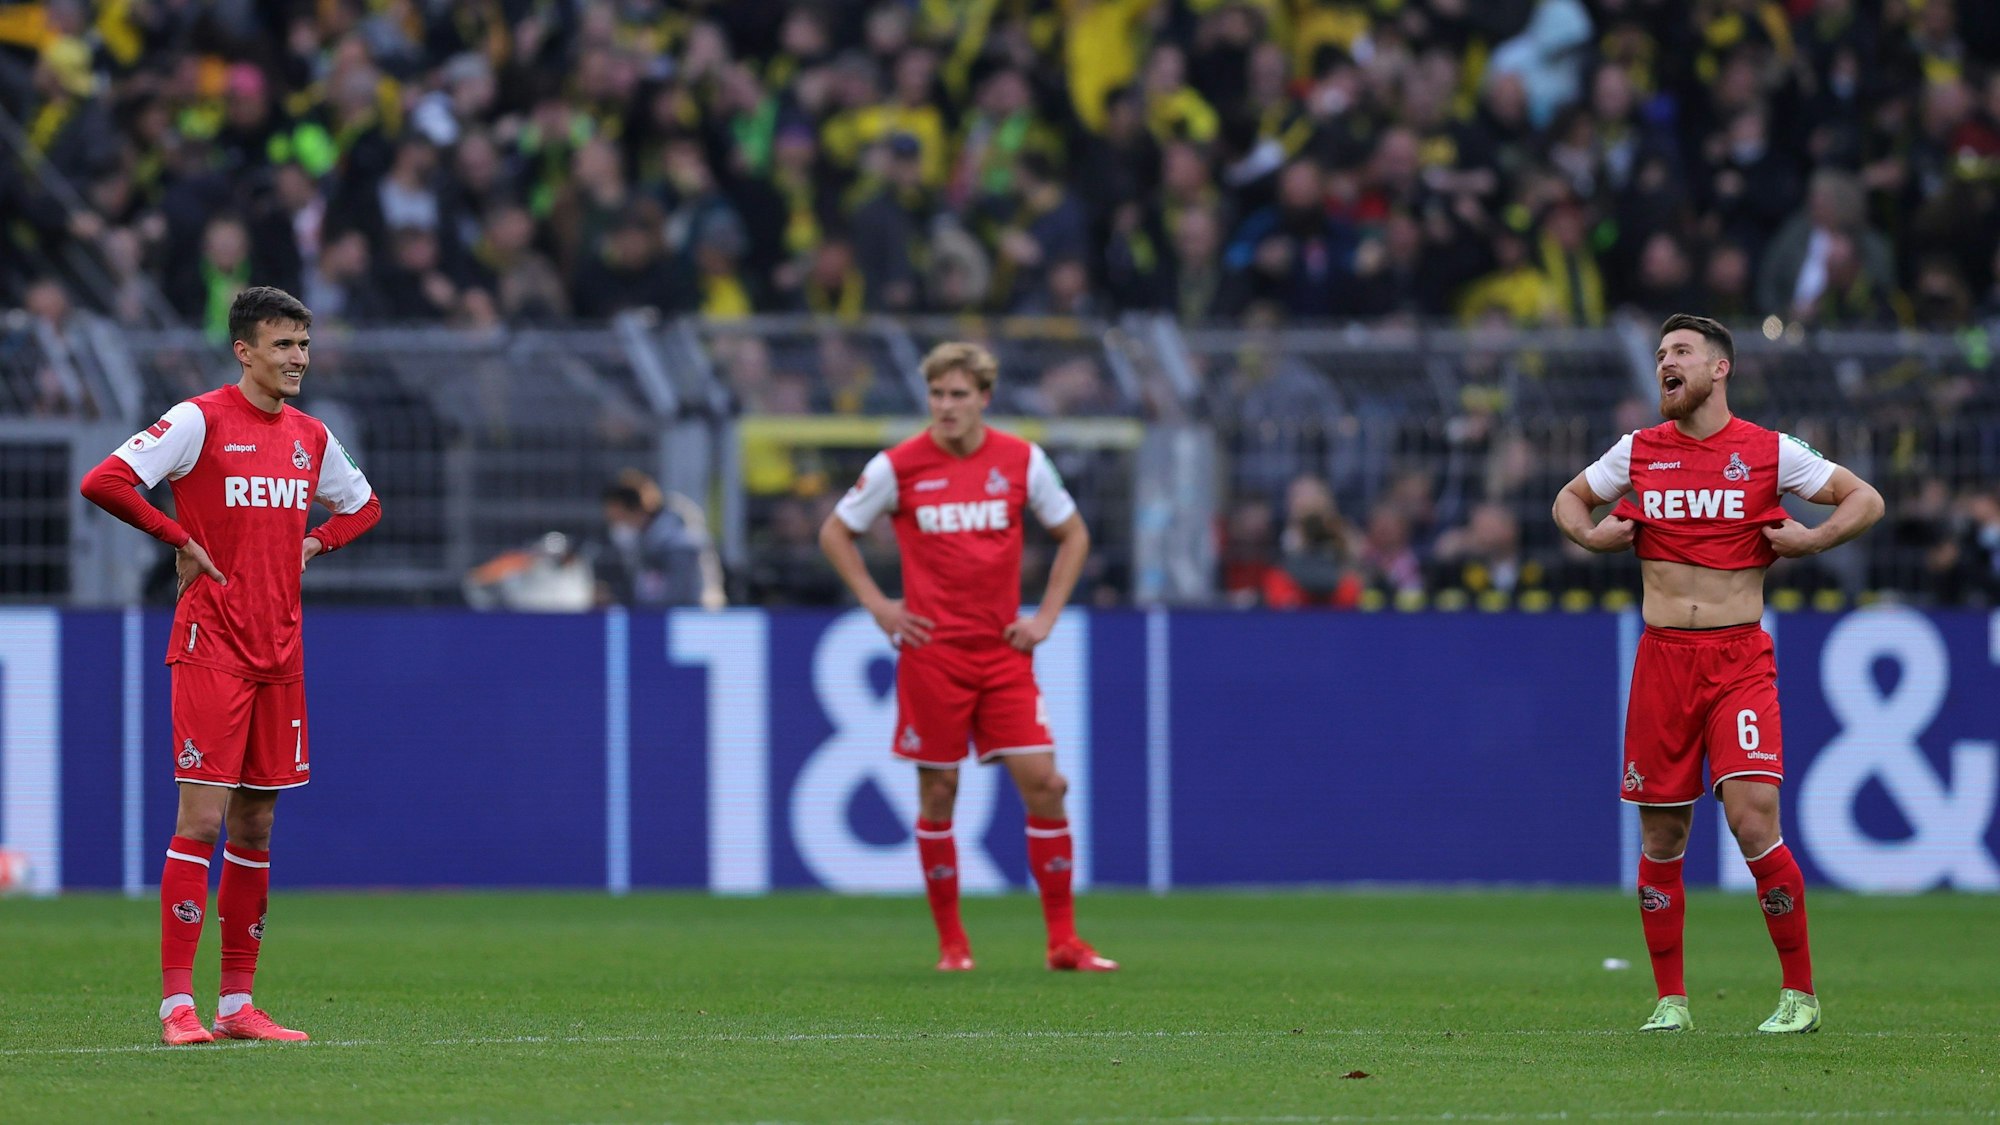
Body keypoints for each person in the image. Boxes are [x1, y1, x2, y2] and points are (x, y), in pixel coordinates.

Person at [1552, 314, 1883, 1035]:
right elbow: (1567, 500)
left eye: (1679, 352)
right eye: (1661, 353)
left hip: (1738, 658)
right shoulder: (1638, 451)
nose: (1665, 363)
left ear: (1718, 369)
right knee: (1663, 837)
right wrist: (1591, 533)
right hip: (1663, 660)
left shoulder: (1768, 451)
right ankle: (1671, 1000)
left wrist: (1809, 539)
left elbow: (1865, 498)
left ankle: (1800, 993)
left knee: (1751, 816)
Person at [79, 287, 381, 1045]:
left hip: (281, 654)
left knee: (256, 824)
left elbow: (366, 505)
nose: (299, 359)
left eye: (304, 346)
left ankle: (237, 1003)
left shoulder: (312, 435)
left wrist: (317, 542)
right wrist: (176, 534)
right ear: (244, 351)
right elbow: (105, 479)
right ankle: (177, 1004)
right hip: (211, 646)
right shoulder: (199, 419)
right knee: (203, 818)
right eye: (284, 346)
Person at [818, 342, 1117, 973]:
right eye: (937, 395)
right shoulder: (899, 466)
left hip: (1003, 654)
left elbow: (1074, 534)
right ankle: (953, 946)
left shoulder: (1021, 460)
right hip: (934, 655)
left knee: (1046, 784)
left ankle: (1063, 941)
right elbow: (834, 531)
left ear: (985, 397)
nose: (946, 407)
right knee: (939, 794)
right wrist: (880, 607)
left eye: (958, 394)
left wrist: (1045, 618)